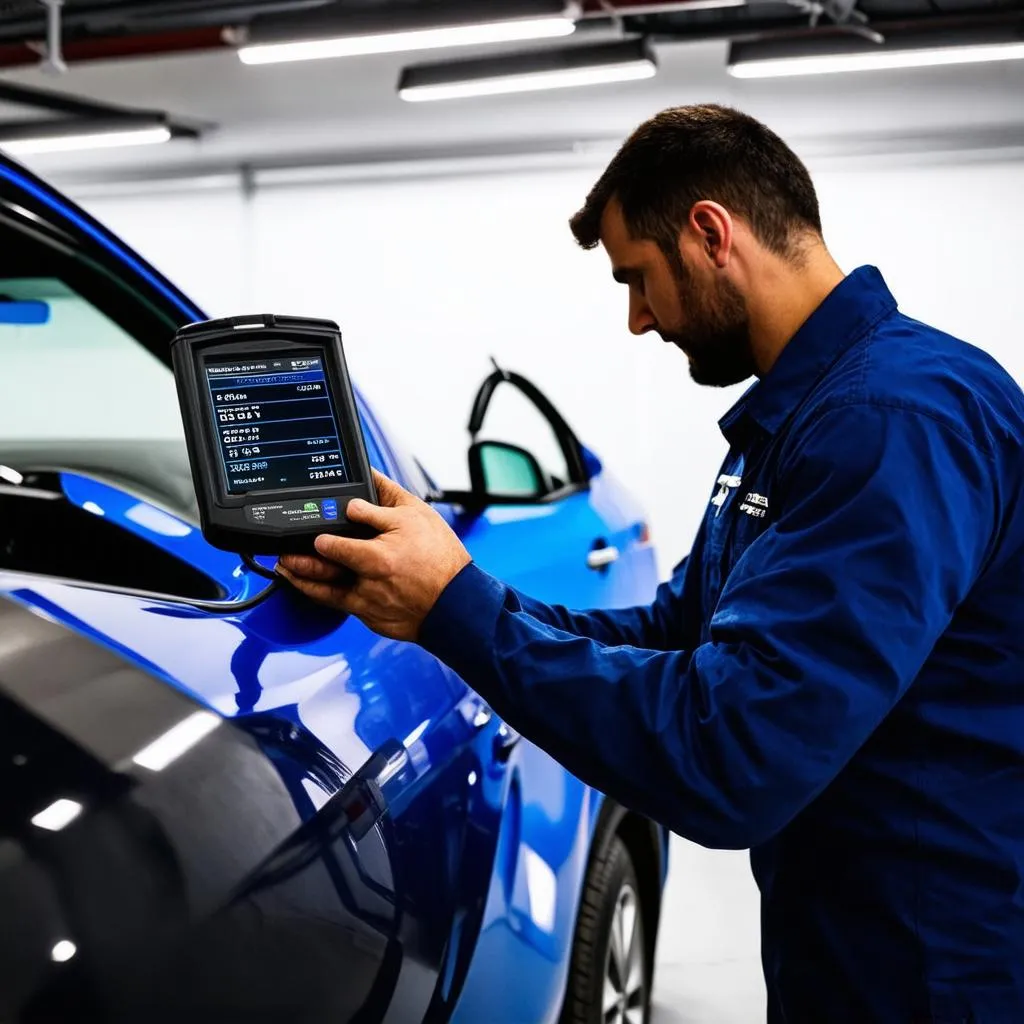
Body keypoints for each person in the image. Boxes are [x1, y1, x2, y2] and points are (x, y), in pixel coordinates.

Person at [278, 105, 1024, 1022]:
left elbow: (731, 754)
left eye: (639, 278)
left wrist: (458, 609)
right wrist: (440, 592)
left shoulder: (892, 420)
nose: (638, 321)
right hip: (849, 948)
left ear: (711, 233)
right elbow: (678, 635)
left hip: (936, 973)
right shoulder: (803, 415)